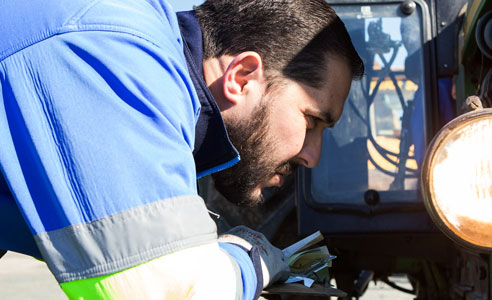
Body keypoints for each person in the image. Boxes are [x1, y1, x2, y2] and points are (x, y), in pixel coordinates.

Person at [0, 0, 364, 299]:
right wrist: (253, 258)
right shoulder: (115, 51)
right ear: (241, 78)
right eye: (312, 121)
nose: (312, 155)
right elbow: (167, 289)